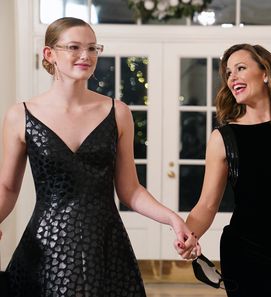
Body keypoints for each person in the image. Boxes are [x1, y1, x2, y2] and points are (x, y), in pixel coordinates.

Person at [0, 17, 197, 297]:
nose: (85, 56)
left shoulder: (118, 113)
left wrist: (173, 219)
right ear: (49, 54)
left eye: (92, 48)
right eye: (74, 47)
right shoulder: (20, 115)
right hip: (46, 246)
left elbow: (130, 190)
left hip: (106, 245)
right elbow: (7, 187)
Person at [177, 44, 271, 297]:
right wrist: (188, 235)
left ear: (265, 73)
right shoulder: (224, 137)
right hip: (245, 257)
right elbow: (207, 204)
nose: (232, 78)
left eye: (240, 68)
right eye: (228, 73)